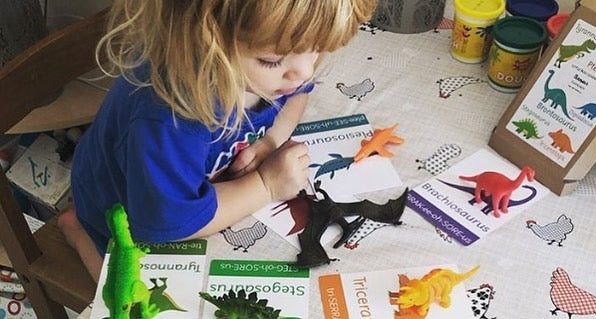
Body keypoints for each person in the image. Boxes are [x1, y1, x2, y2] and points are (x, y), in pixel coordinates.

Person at [59, 0, 377, 280]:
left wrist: (270, 141)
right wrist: (266, 185)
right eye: (271, 60)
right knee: (132, 307)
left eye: (316, 49)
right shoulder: (171, 119)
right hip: (124, 212)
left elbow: (298, 95)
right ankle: (77, 231)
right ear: (200, 39)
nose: (305, 72)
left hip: (190, 183)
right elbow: (177, 222)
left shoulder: (283, 66)